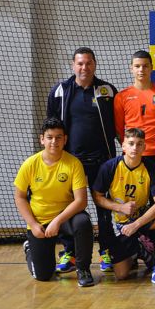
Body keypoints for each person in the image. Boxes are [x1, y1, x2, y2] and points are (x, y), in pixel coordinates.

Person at [47, 47, 118, 273]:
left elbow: (118, 125)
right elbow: (51, 126)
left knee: (104, 208)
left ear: (94, 64)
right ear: (73, 65)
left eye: (88, 63)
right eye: (80, 63)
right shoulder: (59, 91)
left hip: (102, 161)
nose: (84, 67)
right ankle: (70, 252)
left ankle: (107, 250)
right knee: (68, 208)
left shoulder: (107, 91)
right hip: (71, 162)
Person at [92, 128, 155, 287]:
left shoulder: (151, 168)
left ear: (144, 147)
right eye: (131, 143)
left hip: (141, 221)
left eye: (139, 144)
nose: (135, 148)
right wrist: (120, 207)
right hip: (120, 226)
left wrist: (136, 224)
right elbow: (97, 197)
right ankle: (137, 251)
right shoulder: (110, 167)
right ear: (123, 145)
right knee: (121, 274)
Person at [15, 118, 95, 287]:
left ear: (65, 139)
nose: (54, 141)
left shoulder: (74, 163)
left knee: (83, 222)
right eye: (49, 137)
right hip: (40, 222)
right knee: (44, 276)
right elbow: (20, 197)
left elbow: (81, 201)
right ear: (42, 139)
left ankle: (83, 269)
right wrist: (33, 224)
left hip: (65, 218)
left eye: (58, 137)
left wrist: (57, 221)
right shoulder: (30, 164)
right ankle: (30, 248)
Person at [114, 50, 155, 174]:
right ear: (131, 68)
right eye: (137, 66)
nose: (141, 70)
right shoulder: (121, 97)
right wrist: (130, 147)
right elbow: (118, 129)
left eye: (145, 66)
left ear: (151, 68)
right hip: (132, 155)